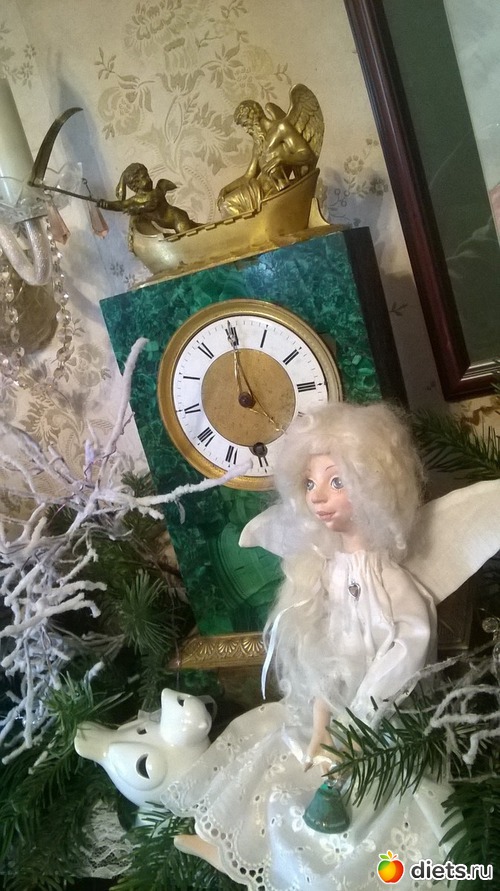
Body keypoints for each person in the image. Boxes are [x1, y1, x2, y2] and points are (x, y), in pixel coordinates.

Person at [163, 402, 500, 890]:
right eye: (309, 483)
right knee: (284, 752)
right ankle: (241, 843)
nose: (318, 496)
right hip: (333, 701)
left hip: (381, 716)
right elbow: (323, 647)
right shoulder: (323, 569)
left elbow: (409, 646)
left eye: (336, 481)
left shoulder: (390, 578)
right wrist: (322, 713)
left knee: (358, 797)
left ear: (374, 487)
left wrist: (358, 719)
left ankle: (316, 871)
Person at [98, 162, 197, 233]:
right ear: (136, 183)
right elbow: (121, 204)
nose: (149, 179)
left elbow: (151, 205)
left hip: (178, 218)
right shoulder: (135, 200)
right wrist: (106, 204)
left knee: (187, 239)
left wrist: (136, 208)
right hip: (167, 222)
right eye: (144, 177)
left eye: (148, 175)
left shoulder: (155, 192)